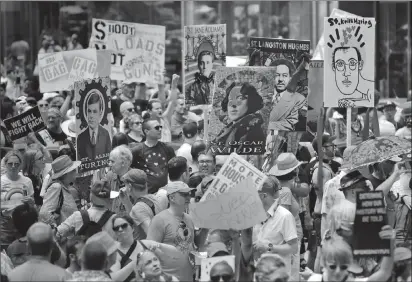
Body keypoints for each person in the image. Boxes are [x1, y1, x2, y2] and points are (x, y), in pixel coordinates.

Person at [146, 181, 208, 282]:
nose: (188, 197)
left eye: (189, 194)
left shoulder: (189, 218)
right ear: (172, 198)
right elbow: (149, 251)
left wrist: (205, 228)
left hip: (188, 277)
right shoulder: (159, 220)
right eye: (184, 194)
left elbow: (196, 244)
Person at [308, 229, 394, 282]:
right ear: (324, 263)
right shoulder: (315, 279)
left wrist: (390, 242)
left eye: (343, 267)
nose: (338, 271)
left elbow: (384, 273)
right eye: (333, 266)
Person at [254, 176, 298, 278]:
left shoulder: (284, 216)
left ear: (263, 196)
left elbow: (293, 248)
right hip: (258, 274)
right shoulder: (252, 215)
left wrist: (269, 247)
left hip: (277, 275)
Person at [212, 82, 265, 155]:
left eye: (240, 98)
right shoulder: (227, 130)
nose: (233, 104)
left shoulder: (253, 132)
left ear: (251, 102)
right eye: (230, 99)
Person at [119, 169, 168, 240]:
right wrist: (126, 201)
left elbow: (153, 237)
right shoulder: (155, 198)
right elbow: (135, 218)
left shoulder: (138, 208)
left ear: (129, 186)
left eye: (125, 185)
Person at [131, 119, 175, 193]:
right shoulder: (137, 150)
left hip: (165, 193)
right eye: (157, 128)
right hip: (147, 195)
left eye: (160, 127)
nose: (160, 129)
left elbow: (175, 169)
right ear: (146, 131)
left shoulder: (167, 148)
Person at [268, 58, 307, 132]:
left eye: (285, 76)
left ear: (290, 78)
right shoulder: (261, 96)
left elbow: (290, 124)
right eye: (277, 75)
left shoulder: (299, 99)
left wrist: (265, 124)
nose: (280, 79)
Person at [39, 155, 79, 227]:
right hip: (62, 236)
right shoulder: (56, 187)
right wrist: (57, 230)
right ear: (67, 173)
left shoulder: (65, 187)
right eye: (73, 170)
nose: (76, 172)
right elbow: (44, 213)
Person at [76, 90, 112, 161]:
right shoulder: (80, 137)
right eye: (89, 111)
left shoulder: (106, 134)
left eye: (95, 112)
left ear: (100, 113)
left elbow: (109, 158)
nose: (91, 116)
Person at [104, 145, 133, 215]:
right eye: (109, 161)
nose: (109, 164)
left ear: (123, 163)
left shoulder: (136, 178)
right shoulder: (109, 176)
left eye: (112, 162)